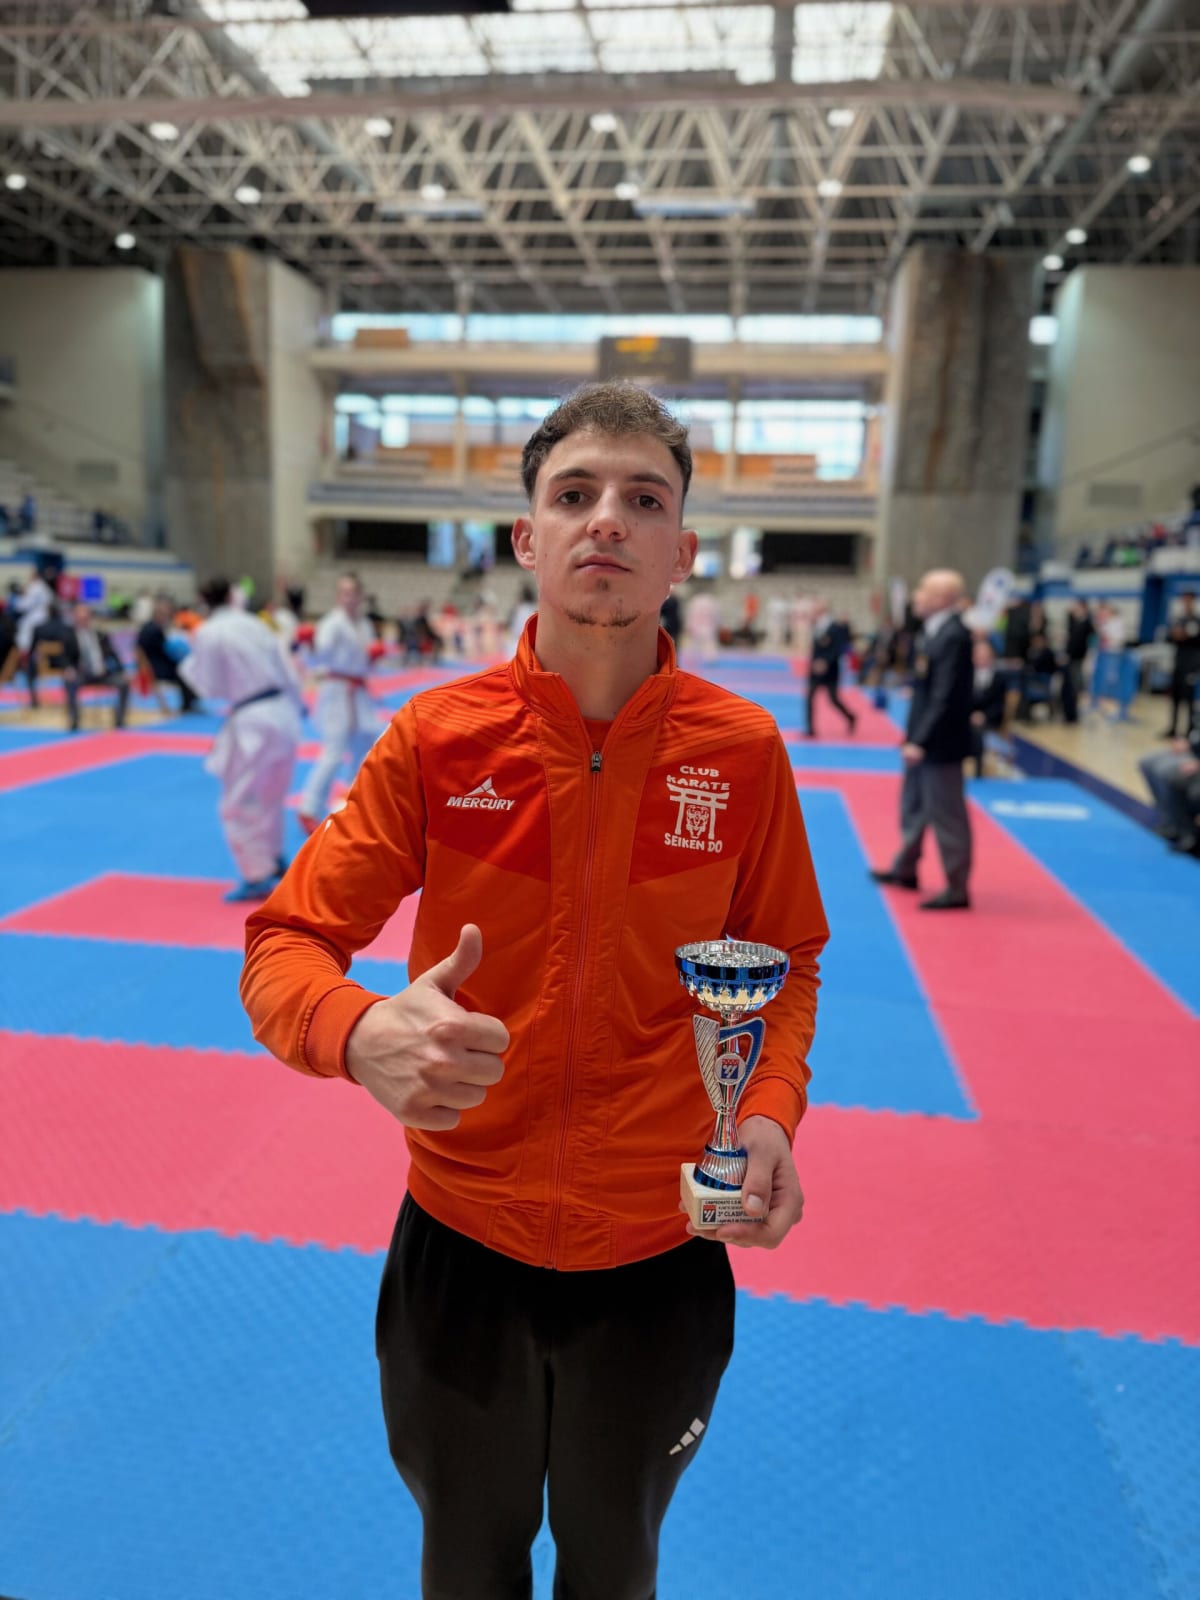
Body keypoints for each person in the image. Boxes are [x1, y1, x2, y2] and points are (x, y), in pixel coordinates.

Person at [240, 381, 829, 1600]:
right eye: (574, 495)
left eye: (641, 500)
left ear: (683, 551)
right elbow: (286, 940)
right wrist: (357, 1035)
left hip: (660, 1252)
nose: (605, 519)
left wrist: (765, 1115)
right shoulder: (435, 738)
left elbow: (783, 966)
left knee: (616, 1572)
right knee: (466, 1568)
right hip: (462, 1247)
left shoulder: (743, 753)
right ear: (528, 538)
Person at [179, 576, 304, 902]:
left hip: (252, 719)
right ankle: (275, 859)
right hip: (283, 711)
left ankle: (257, 874)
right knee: (273, 793)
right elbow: (286, 666)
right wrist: (299, 703)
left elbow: (210, 688)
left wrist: (189, 662)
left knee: (238, 801)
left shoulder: (208, 632)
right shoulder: (255, 623)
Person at [871, 568, 974, 909]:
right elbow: (926, 692)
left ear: (943, 599)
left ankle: (957, 887)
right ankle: (906, 868)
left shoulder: (954, 636)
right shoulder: (931, 633)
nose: (916, 596)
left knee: (946, 815)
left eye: (924, 591)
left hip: (940, 744)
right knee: (913, 806)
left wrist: (922, 740)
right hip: (921, 737)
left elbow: (946, 696)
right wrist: (911, 736)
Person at [297, 572, 381, 835]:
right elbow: (316, 660)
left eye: (351, 593)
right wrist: (309, 643)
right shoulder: (332, 623)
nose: (347, 598)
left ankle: (349, 801)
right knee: (333, 751)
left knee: (364, 747)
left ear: (360, 596)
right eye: (343, 593)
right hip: (337, 690)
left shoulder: (364, 624)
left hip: (357, 691)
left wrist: (373, 658)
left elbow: (364, 663)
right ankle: (308, 808)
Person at [58, 602, 130, 732]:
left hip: (103, 673)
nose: (83, 619)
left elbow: (113, 654)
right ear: (75, 618)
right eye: (80, 616)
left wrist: (123, 670)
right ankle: (74, 719)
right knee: (69, 682)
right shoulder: (69, 636)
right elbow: (64, 658)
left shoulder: (100, 635)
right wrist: (68, 669)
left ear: (90, 617)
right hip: (82, 674)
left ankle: (119, 719)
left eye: (85, 616)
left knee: (124, 683)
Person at [1139, 719, 1200, 855]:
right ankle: (1170, 820)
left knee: (1173, 776)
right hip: (1193, 751)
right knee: (1147, 762)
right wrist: (1186, 742)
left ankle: (1186, 831)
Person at [137, 594, 200, 713]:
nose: (166, 616)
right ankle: (188, 702)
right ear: (157, 614)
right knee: (184, 671)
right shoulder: (153, 630)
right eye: (164, 614)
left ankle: (190, 700)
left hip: (157, 663)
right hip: (156, 667)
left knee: (184, 668)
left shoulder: (153, 627)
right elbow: (163, 650)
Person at [805, 599, 856, 738]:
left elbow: (838, 648)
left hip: (830, 670)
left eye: (816, 608)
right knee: (809, 696)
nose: (813, 610)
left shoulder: (835, 627)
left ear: (823, 609)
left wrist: (825, 662)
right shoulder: (815, 625)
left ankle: (851, 717)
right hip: (815, 670)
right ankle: (810, 728)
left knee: (833, 699)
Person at [969, 638, 1011, 777]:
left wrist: (984, 716)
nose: (982, 660)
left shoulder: (999, 678)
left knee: (978, 732)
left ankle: (979, 769)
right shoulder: (966, 675)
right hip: (968, 718)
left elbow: (1000, 705)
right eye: (979, 656)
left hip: (990, 719)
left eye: (986, 657)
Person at [1162, 591, 1200, 738]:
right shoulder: (1178, 619)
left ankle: (1189, 730)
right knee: (1175, 697)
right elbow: (1170, 637)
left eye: (1188, 600)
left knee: (1189, 699)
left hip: (1190, 664)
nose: (1185, 602)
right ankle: (1173, 728)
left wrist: (1185, 635)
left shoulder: (1196, 620)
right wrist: (1175, 635)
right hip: (1178, 662)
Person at [1060, 598, 1094, 724]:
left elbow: (1080, 643)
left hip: (1077, 659)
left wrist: (1069, 655)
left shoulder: (1086, 624)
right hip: (1071, 658)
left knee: (1074, 686)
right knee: (1069, 686)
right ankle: (1068, 712)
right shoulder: (1076, 622)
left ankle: (1073, 715)